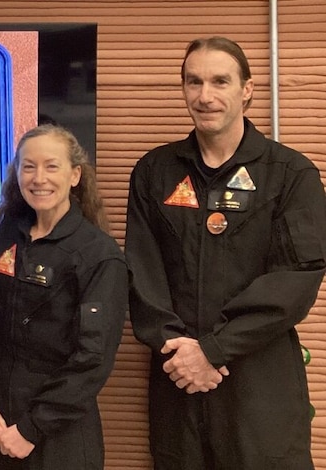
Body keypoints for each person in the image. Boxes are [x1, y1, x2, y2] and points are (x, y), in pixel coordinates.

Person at [126, 36, 326, 469]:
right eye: (193, 82)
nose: (205, 95)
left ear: (247, 89)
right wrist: (181, 352)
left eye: (220, 81)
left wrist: (213, 351)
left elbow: (297, 279)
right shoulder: (154, 172)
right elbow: (142, 273)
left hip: (257, 381)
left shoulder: (291, 175)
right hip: (176, 376)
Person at [0, 124, 128, 469]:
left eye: (52, 166)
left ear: (75, 175)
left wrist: (32, 428)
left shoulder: (98, 254)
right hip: (2, 426)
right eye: (29, 166)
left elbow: (93, 360)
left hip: (61, 433)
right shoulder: (3, 240)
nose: (39, 178)